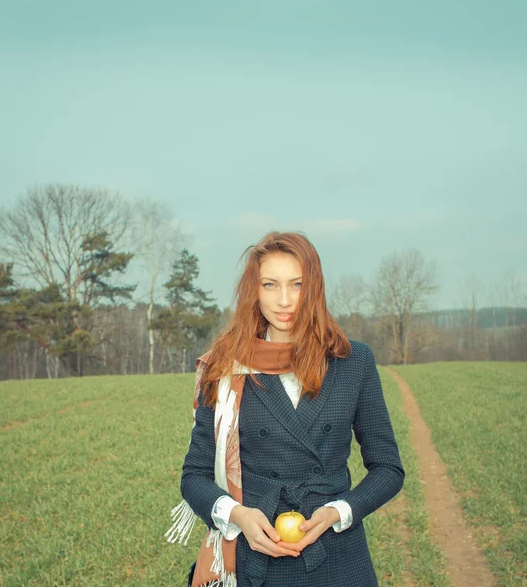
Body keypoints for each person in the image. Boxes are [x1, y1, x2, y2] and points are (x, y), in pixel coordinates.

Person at [166, 231, 405, 587]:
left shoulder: (353, 362)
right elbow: (194, 476)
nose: (284, 301)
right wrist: (240, 516)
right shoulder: (226, 368)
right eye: (270, 285)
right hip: (256, 553)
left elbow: (388, 468)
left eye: (297, 285)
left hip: (338, 554)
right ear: (254, 291)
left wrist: (337, 512)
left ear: (315, 289)